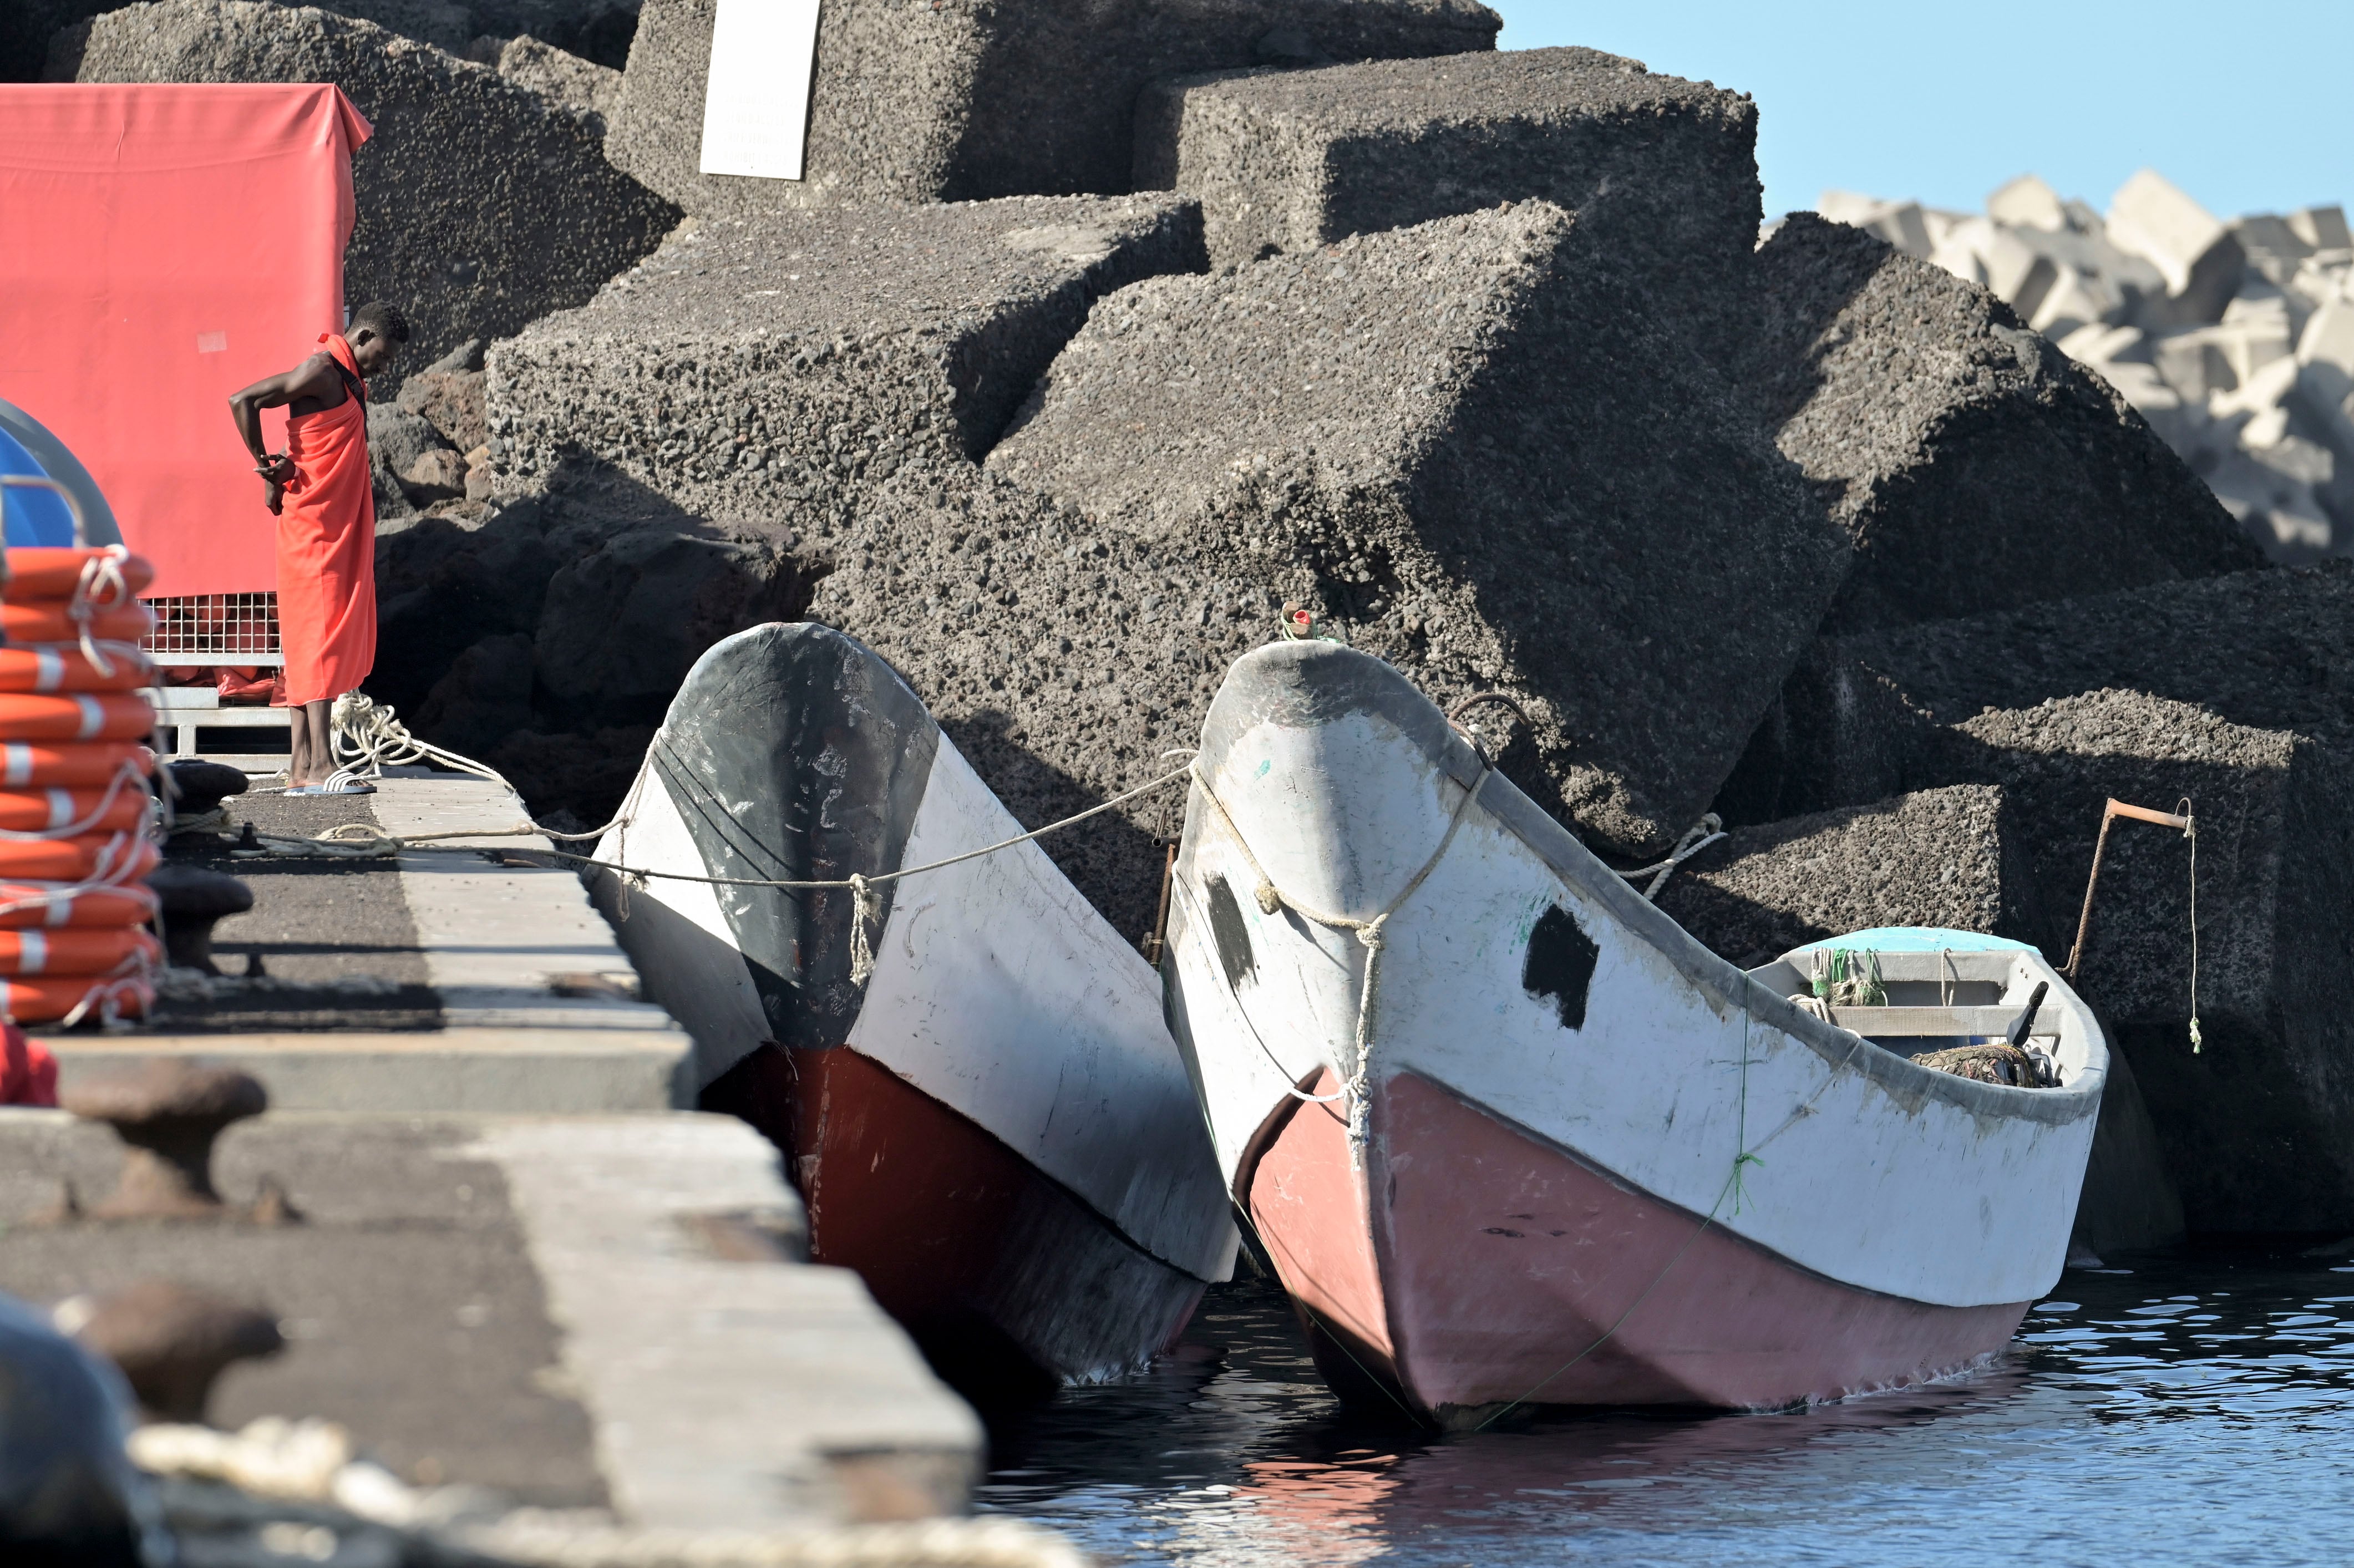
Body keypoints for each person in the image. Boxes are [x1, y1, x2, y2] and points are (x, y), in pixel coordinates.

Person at [227, 302, 408, 793]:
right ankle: (323, 765)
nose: (383, 367)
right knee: (319, 637)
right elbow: (242, 399)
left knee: (309, 639)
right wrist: (266, 466)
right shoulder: (321, 370)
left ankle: (301, 770)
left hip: (331, 521)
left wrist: (282, 465)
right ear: (365, 334)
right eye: (382, 356)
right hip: (313, 526)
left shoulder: (347, 378)